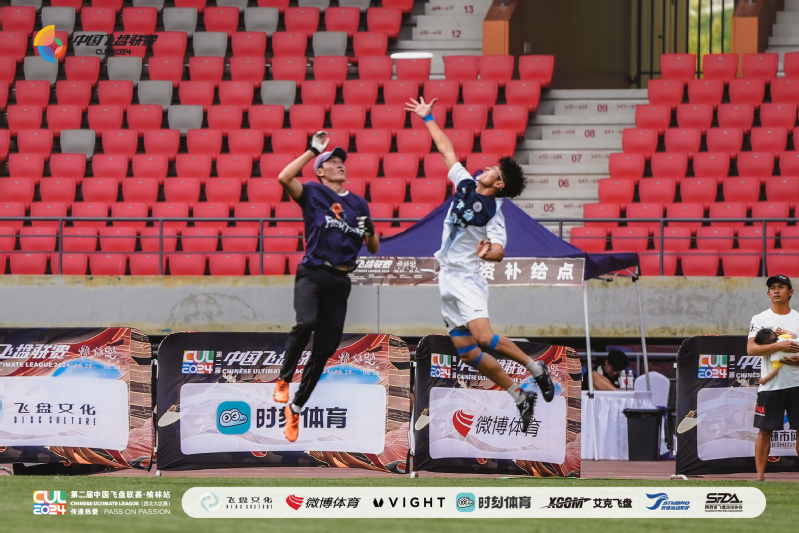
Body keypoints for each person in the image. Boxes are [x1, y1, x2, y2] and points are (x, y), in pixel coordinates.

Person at [404, 96, 554, 432]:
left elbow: (499, 249)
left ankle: (535, 368)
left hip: (468, 278)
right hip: (447, 280)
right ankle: (519, 395)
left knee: (484, 337)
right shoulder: (465, 183)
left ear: (499, 184)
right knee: (468, 352)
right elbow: (446, 150)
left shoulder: (494, 212)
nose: (485, 167)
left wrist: (488, 254)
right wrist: (427, 118)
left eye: (493, 170)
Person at [272, 131, 380, 442]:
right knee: (306, 323)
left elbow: (373, 247)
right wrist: (311, 150)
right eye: (332, 161)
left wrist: (370, 231)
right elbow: (283, 177)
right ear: (319, 171)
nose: (339, 164)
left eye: (341, 161)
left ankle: (296, 407)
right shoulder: (313, 193)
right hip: (313, 272)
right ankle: (283, 380)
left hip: (341, 279)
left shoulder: (358, 203)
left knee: (325, 349)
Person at [747, 274, 799, 481]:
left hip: (796, 383)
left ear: (790, 292)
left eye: (781, 287)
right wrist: (780, 345)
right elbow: (751, 349)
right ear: (768, 294)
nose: (776, 290)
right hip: (771, 386)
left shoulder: (798, 318)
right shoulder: (760, 319)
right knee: (765, 431)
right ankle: (760, 476)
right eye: (773, 287)